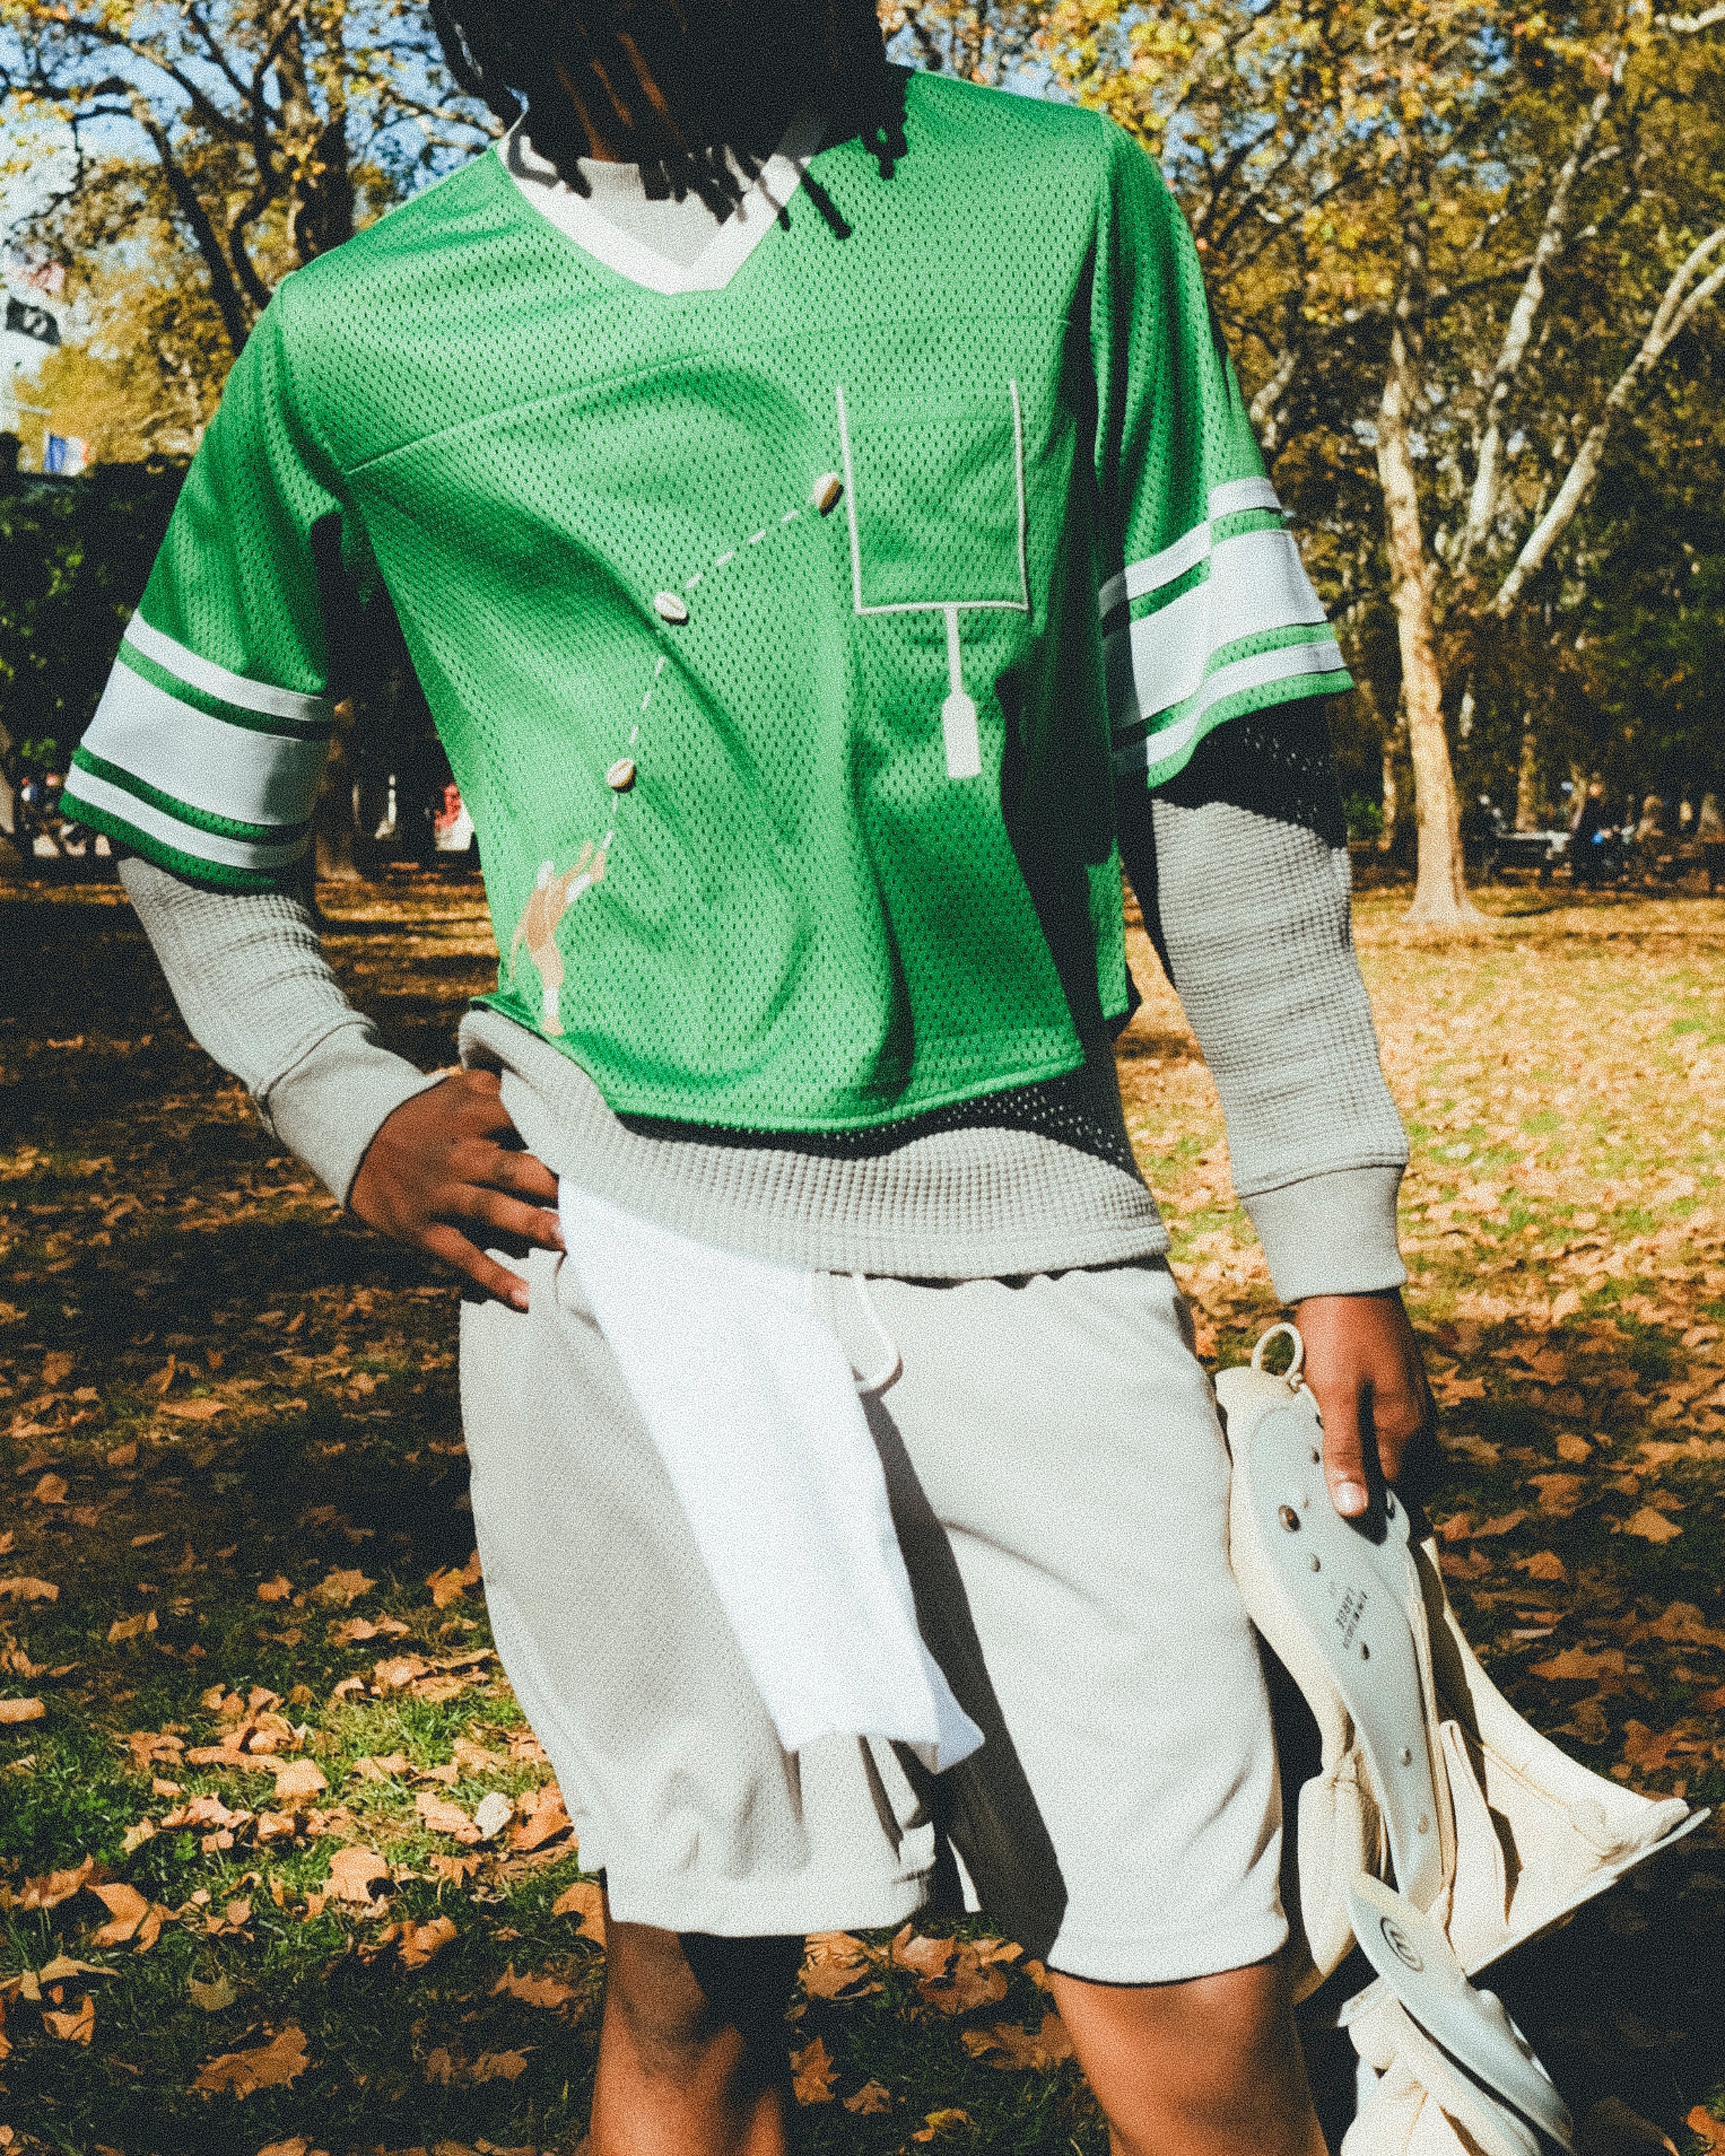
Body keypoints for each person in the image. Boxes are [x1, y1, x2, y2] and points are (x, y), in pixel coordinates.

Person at [61, 6, 1433, 2150]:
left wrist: (1333, 1226)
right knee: (696, 1978)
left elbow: (1220, 748)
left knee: (1200, 1975)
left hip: (1037, 1238)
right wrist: (335, 1098)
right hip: (622, 1258)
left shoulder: (1057, 207)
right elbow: (181, 802)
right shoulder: (357, 335)